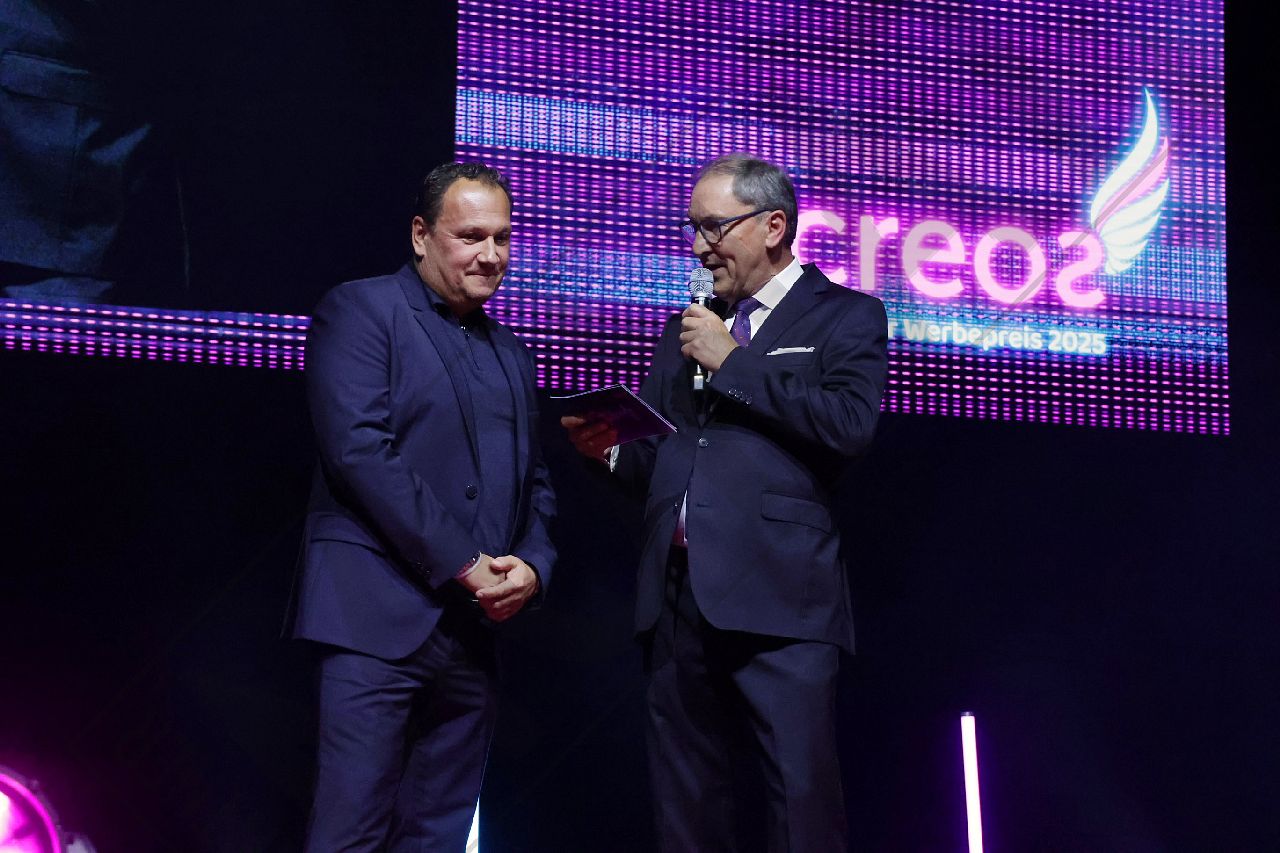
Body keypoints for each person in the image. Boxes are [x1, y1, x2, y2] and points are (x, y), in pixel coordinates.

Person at [564, 153, 888, 852]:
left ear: (773, 226)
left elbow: (848, 425)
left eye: (714, 226)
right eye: (692, 227)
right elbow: (664, 454)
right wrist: (610, 449)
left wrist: (732, 361)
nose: (698, 245)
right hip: (678, 599)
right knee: (686, 810)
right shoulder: (691, 327)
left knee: (799, 805)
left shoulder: (845, 315)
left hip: (782, 598)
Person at [286, 161, 555, 851]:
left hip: (473, 636)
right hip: (374, 621)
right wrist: (465, 562)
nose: (491, 255)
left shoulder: (513, 353)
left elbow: (536, 482)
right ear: (419, 234)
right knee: (349, 833)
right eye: (471, 236)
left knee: (438, 839)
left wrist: (532, 566)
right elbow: (359, 453)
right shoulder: (361, 309)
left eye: (501, 237)